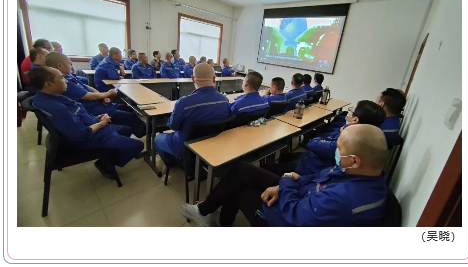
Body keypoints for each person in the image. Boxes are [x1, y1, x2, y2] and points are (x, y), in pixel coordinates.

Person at [180, 124, 388, 227]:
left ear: (354, 160)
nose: (335, 150)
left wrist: (286, 183)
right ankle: (209, 213)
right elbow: (318, 178)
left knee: (239, 187)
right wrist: (287, 184)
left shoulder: (345, 199)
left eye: (338, 148)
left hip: (285, 219)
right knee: (241, 169)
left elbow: (295, 215)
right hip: (299, 195)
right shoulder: (355, 173)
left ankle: (212, 218)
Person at [29, 66, 144, 179]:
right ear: (49, 84)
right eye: (61, 78)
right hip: (90, 137)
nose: (66, 81)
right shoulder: (56, 107)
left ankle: (110, 153)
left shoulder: (51, 97)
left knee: (127, 130)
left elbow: (77, 114)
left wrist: (96, 118)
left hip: (91, 124)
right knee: (138, 145)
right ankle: (105, 164)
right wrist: (101, 123)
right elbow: (81, 134)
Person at [46, 52, 146, 137]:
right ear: (60, 66)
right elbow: (89, 96)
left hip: (99, 103)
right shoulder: (64, 82)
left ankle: (138, 131)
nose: (71, 66)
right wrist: (107, 94)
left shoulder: (69, 77)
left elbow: (88, 87)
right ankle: (146, 132)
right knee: (129, 116)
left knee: (128, 108)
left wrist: (102, 95)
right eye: (69, 63)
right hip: (93, 109)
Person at [154, 63, 231, 163]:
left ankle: (174, 163)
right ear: (214, 78)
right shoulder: (225, 100)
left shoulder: (184, 103)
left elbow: (173, 126)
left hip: (185, 146)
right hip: (212, 144)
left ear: (193, 79)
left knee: (158, 138)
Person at [292, 101, 386, 176]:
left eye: (350, 111)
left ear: (355, 119)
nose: (348, 113)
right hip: (311, 159)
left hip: (310, 170)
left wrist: (321, 140)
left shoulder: (348, 142)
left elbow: (312, 143)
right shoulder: (366, 138)